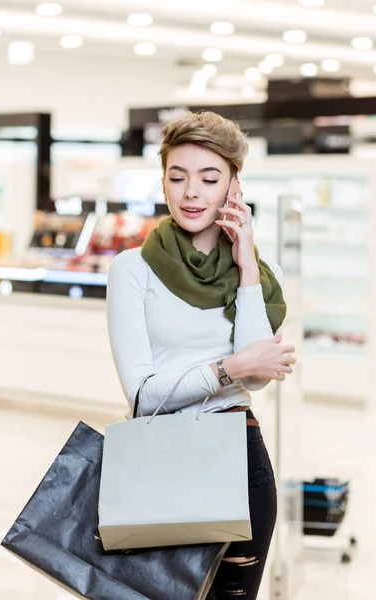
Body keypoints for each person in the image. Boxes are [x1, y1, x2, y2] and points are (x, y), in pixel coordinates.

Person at [107, 110, 296, 599]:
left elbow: (258, 382)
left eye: (210, 178)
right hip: (159, 460)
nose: (191, 192)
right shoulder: (132, 269)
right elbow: (146, 396)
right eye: (178, 176)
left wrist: (247, 262)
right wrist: (230, 367)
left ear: (234, 185)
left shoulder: (250, 270)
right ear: (164, 181)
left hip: (240, 461)